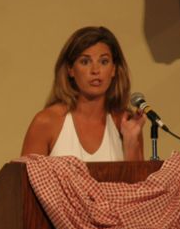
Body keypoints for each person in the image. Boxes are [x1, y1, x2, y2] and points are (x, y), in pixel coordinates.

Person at [21, 26, 146, 161]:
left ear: (114, 69)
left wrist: (131, 141)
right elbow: (23, 180)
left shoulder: (126, 123)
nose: (95, 70)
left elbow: (138, 182)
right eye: (85, 61)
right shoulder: (46, 122)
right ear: (70, 70)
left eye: (104, 61)